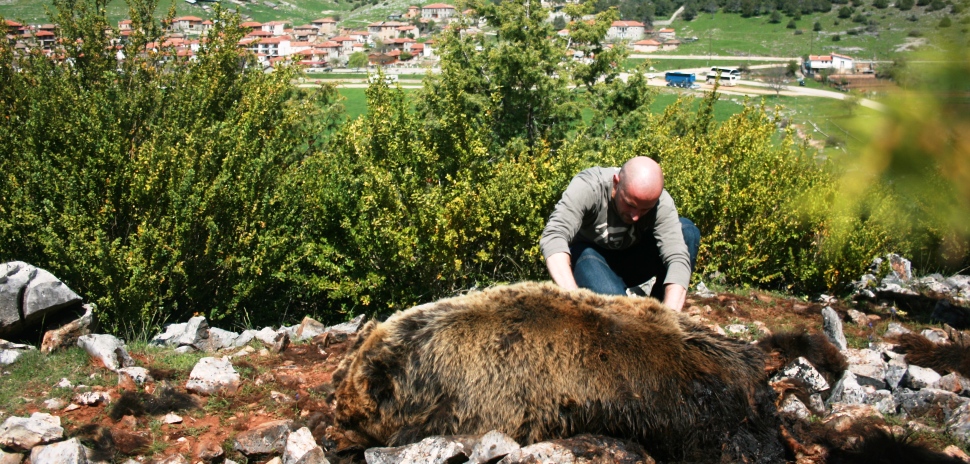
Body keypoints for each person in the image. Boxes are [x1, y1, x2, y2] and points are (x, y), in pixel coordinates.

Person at [539, 157, 700, 311]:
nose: (635, 216)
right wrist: (574, 298)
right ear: (616, 184)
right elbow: (554, 236)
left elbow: (677, 257)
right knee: (617, 311)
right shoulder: (589, 187)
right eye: (630, 204)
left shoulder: (660, 202)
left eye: (645, 209)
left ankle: (656, 314)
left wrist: (669, 315)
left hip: (631, 261)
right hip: (590, 260)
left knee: (687, 232)